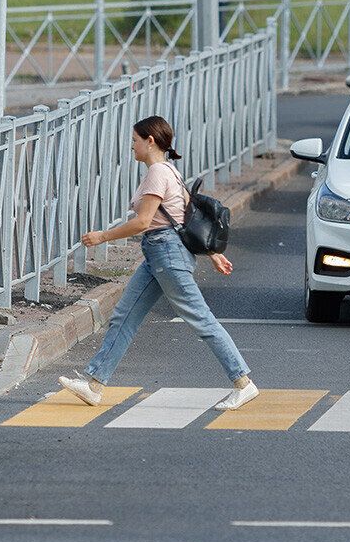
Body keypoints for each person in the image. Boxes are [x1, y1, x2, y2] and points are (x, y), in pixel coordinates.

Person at [58, 116, 259, 412]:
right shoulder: (170, 172)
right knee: (124, 316)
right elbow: (186, 216)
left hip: (166, 254)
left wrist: (102, 236)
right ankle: (94, 384)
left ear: (150, 141)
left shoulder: (157, 174)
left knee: (201, 319)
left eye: (135, 140)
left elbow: (142, 221)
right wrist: (212, 253)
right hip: (158, 254)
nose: (132, 146)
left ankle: (243, 382)